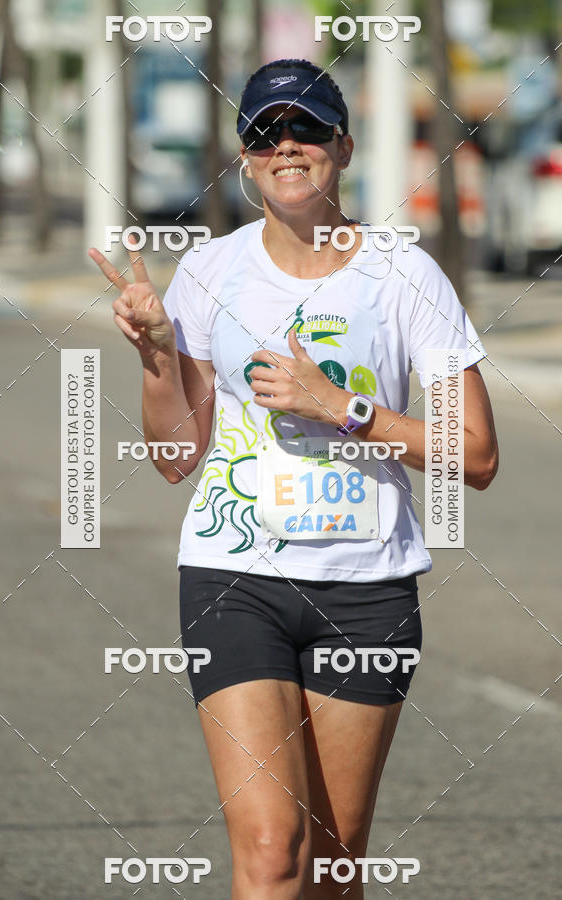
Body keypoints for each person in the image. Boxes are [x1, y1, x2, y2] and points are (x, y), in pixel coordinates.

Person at [89, 58, 498, 899]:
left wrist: (341, 407)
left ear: (342, 147)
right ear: (244, 158)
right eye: (264, 131)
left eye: (307, 127)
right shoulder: (211, 271)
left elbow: (478, 454)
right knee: (273, 855)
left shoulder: (403, 275)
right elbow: (174, 455)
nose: (287, 145)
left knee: (335, 861)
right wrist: (156, 356)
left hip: (366, 587)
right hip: (234, 578)